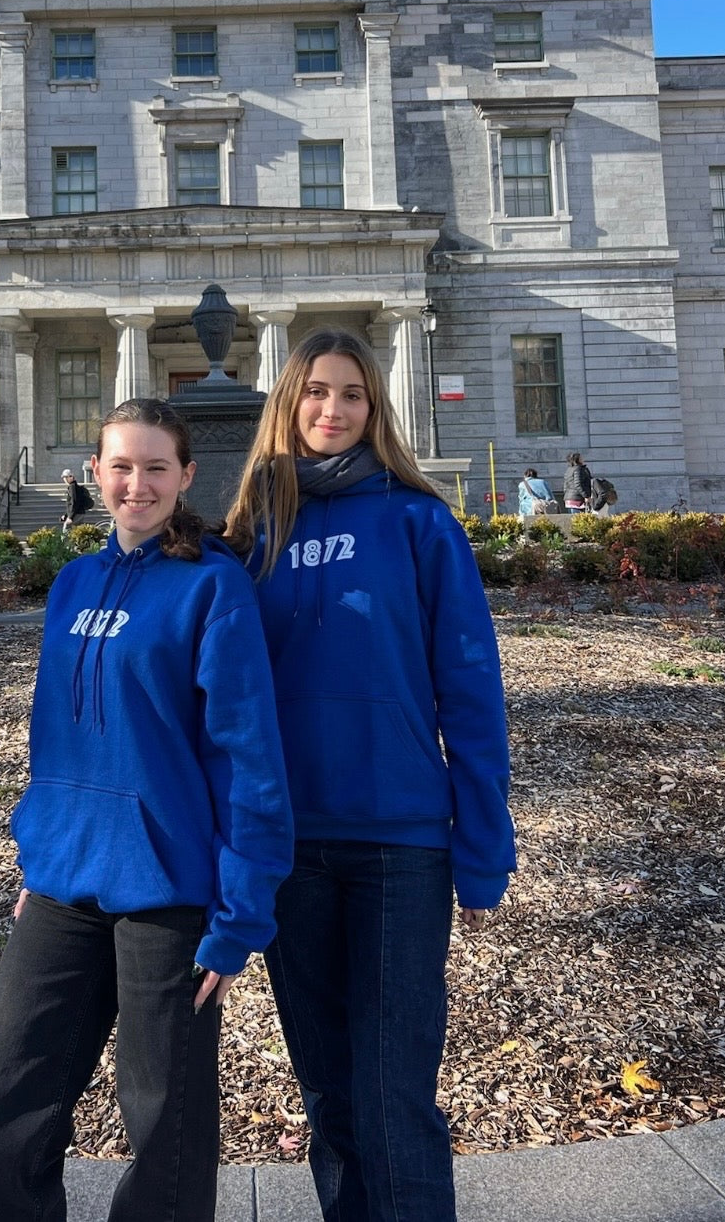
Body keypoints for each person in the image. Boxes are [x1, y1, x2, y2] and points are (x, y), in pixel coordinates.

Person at [0, 398, 293, 1222]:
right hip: (64, 883)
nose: (137, 484)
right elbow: (54, 736)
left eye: (155, 467)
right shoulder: (74, 582)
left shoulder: (213, 586)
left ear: (185, 476)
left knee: (164, 1126)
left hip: (170, 891)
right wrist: (39, 852)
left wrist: (242, 913)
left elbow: (248, 755)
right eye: (121, 466)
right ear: (95, 473)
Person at [224, 328, 515, 1222]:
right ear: (289, 403)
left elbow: (471, 687)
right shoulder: (251, 533)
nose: (333, 408)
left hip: (401, 845)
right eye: (316, 391)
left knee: (396, 1096)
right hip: (291, 847)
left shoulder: (420, 522)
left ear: (375, 408)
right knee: (330, 1094)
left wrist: (483, 848)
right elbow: (215, 703)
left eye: (352, 393)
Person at [59, 466, 94, 534]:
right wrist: (66, 515)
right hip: (79, 512)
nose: (65, 479)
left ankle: (66, 541)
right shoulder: (74, 487)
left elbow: (74, 502)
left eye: (66, 477)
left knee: (66, 528)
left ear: (71, 477)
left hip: (77, 513)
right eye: (64, 478)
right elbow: (72, 503)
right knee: (78, 532)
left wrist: (70, 517)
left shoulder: (72, 487)